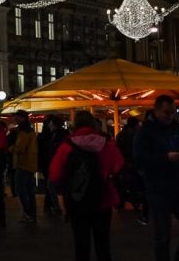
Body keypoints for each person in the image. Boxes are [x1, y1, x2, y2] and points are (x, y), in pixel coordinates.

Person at [49, 110, 125, 261]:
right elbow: (118, 165)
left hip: (77, 201)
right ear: (93, 124)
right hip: (103, 199)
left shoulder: (66, 146)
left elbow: (54, 175)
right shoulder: (106, 144)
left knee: (81, 244)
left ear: (75, 125)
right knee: (103, 244)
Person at [134, 94, 179, 261]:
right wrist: (165, 158)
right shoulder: (145, 132)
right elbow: (139, 158)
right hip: (159, 189)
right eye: (166, 112)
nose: (170, 116)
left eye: (172, 112)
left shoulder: (177, 127)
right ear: (156, 110)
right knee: (162, 237)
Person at [9, 109, 38, 223]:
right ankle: (32, 214)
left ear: (22, 118)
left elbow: (20, 148)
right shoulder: (29, 130)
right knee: (30, 191)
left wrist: (11, 148)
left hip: (23, 164)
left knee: (21, 190)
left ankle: (28, 213)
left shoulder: (23, 131)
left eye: (17, 117)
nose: (15, 118)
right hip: (30, 163)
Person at [116, 115, 146, 224]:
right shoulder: (136, 135)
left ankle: (121, 202)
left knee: (123, 183)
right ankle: (138, 201)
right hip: (133, 163)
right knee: (138, 183)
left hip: (124, 163)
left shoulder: (121, 135)